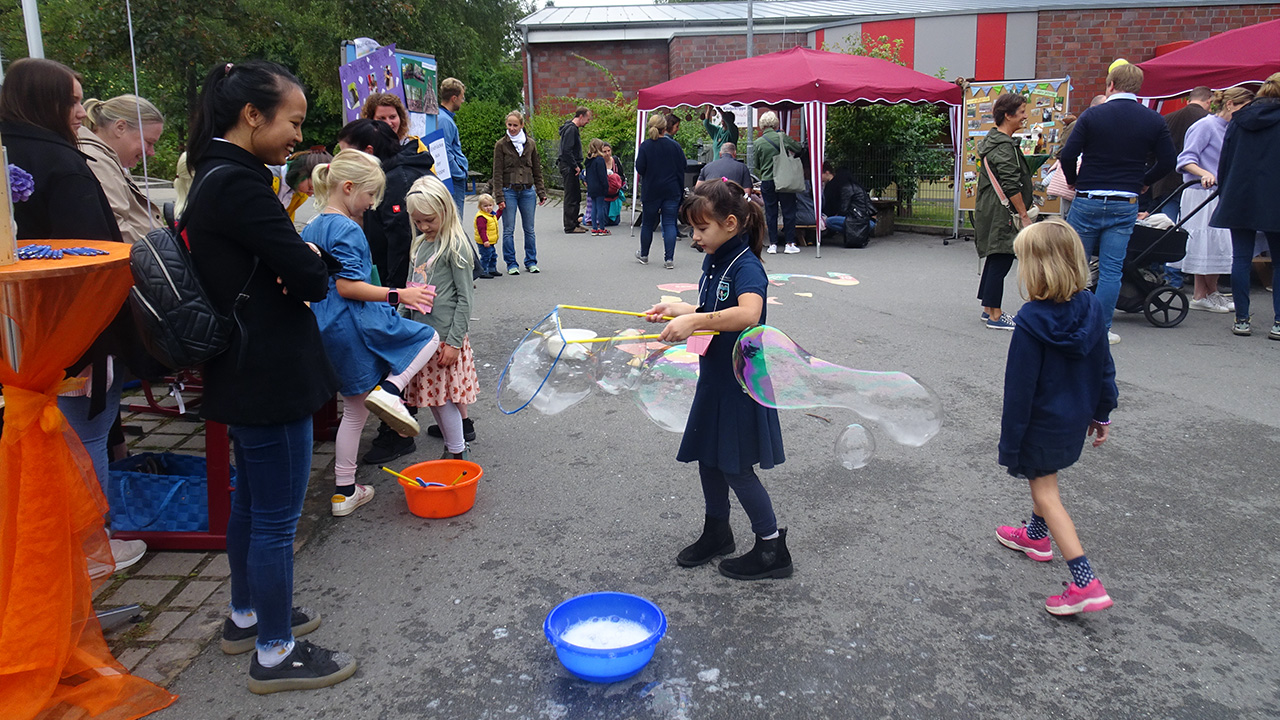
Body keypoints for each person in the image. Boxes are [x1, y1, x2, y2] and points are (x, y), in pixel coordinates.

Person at [184, 59, 356, 693]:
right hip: (268, 369)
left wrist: (299, 256)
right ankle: (276, 652)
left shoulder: (215, 174)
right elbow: (310, 275)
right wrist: (308, 254)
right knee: (276, 517)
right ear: (252, 115)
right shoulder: (240, 183)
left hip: (245, 362)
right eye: (293, 122)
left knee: (253, 504)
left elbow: (289, 264)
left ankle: (246, 615)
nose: (298, 136)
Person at [0, 58, 152, 573]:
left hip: (18, 328)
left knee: (36, 431)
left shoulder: (9, 152)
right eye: (71, 102)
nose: (80, 115)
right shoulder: (63, 164)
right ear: (43, 101)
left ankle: (42, 538)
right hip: (78, 328)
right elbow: (99, 254)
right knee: (87, 432)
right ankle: (91, 544)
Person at [642, 179, 790, 580]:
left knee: (737, 467)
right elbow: (712, 308)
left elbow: (747, 314)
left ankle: (771, 547)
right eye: (692, 228)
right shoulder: (717, 257)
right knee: (709, 458)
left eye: (701, 228)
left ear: (729, 223)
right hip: (716, 378)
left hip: (740, 384)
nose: (695, 236)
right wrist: (681, 310)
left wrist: (695, 320)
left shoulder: (746, 265)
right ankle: (718, 531)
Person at [301, 149, 440, 518]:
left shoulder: (313, 225)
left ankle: (345, 490)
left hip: (326, 323)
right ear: (348, 188)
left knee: (355, 409)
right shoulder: (347, 228)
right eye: (369, 196)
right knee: (427, 338)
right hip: (354, 321)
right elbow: (349, 286)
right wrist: (400, 294)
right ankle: (393, 391)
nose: (372, 205)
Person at [995, 219, 1117, 616]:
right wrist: (1103, 412)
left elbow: (1019, 391)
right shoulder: (1092, 305)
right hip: (1074, 420)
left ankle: (1086, 583)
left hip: (1041, 424)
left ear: (1036, 268)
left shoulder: (1030, 320)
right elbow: (1105, 366)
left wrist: (1010, 443)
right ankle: (1035, 537)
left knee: (1047, 493)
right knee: (1046, 481)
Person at [1059, 63, 1176, 345]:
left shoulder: (1092, 116)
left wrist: (1074, 180)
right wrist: (1144, 181)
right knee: (1112, 269)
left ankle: (1070, 323)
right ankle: (1102, 327)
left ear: (1110, 85)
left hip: (1089, 197)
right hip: (1126, 200)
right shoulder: (1153, 120)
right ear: (1138, 88)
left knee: (1076, 265)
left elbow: (1068, 154)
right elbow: (1169, 161)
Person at [402, 175, 480, 460]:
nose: (423, 227)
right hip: (421, 337)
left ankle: (456, 452)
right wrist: (401, 323)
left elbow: (465, 299)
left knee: (442, 399)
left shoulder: (456, 247)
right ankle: (454, 443)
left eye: (429, 220)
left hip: (444, 340)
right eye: (417, 221)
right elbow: (411, 287)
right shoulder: (420, 244)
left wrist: (455, 342)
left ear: (445, 211)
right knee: (435, 399)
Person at [1211, 72, 1280, 340]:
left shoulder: (1240, 120)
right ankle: (1278, 322)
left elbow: (1225, 160)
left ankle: (1242, 319)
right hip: (1275, 197)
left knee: (1240, 257)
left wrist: (1224, 192)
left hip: (1240, 195)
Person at [1174, 87, 1254, 314]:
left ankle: (1210, 291)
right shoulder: (1205, 126)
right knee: (1206, 243)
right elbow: (1186, 159)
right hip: (1201, 192)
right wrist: (1204, 173)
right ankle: (1202, 293)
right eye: (1243, 107)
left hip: (1218, 193)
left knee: (1216, 245)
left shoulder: (1230, 128)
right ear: (1230, 105)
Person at [975, 93, 1034, 331]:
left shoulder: (995, 141)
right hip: (1002, 211)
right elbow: (1011, 184)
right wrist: (1024, 215)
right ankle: (996, 316)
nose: (1025, 116)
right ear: (1007, 115)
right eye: (1021, 112)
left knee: (996, 256)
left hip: (992, 207)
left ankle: (988, 308)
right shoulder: (1004, 146)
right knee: (1002, 255)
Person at [77, 94, 165, 242]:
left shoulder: (105, 158)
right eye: (149, 142)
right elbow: (116, 227)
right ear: (120, 127)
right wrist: (159, 253)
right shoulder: (97, 161)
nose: (151, 152)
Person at [492, 110, 547, 275]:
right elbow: (497, 173)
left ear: (522, 125)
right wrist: (499, 196)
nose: (512, 128)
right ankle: (511, 263)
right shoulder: (501, 145)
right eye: (509, 125)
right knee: (509, 229)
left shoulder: (530, 144)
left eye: (515, 125)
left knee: (529, 229)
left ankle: (531, 261)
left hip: (528, 191)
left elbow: (537, 169)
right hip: (509, 190)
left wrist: (541, 191)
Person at [1150, 86, 1212, 221]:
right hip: (1197, 184)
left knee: (1168, 227)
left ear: (1189, 100)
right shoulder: (1210, 122)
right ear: (1208, 101)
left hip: (1165, 182)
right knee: (1193, 227)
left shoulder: (1166, 119)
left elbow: (1152, 151)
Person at [635, 114, 686, 269]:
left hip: (651, 189)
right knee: (669, 223)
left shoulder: (645, 146)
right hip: (671, 190)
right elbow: (682, 166)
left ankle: (644, 254)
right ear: (665, 128)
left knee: (648, 223)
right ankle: (669, 259)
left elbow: (640, 168)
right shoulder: (675, 146)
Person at [753, 110, 805, 255]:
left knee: (771, 212)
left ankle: (773, 244)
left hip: (767, 181)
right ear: (775, 123)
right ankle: (789, 243)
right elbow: (798, 148)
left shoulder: (758, 143)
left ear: (762, 125)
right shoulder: (782, 137)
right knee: (789, 211)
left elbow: (757, 165)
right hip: (784, 179)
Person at [819, 161, 875, 249]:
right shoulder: (859, 187)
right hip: (867, 222)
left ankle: (854, 234)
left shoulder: (845, 188)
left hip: (854, 221)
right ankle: (860, 233)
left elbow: (843, 209)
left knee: (829, 221)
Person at [436, 78, 470, 219]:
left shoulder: (443, 117)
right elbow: (445, 151)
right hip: (454, 179)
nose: (462, 101)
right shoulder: (444, 120)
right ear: (453, 98)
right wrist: (459, 173)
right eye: (461, 98)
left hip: (454, 177)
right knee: (455, 221)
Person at [360, 92, 427, 154]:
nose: (388, 123)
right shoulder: (363, 149)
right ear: (370, 119)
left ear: (400, 117)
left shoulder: (415, 145)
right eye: (381, 118)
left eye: (392, 117)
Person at [558, 107, 591, 234]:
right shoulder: (571, 129)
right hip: (569, 166)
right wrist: (575, 166)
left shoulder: (571, 128)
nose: (588, 122)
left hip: (569, 165)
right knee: (571, 196)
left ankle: (574, 221)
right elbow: (567, 150)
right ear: (581, 116)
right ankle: (570, 226)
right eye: (587, 119)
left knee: (575, 195)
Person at [584, 138, 610, 236]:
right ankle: (602, 228)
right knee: (600, 207)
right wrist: (606, 187)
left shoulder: (589, 160)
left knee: (593, 207)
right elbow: (602, 176)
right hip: (599, 187)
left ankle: (594, 228)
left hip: (591, 187)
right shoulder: (600, 160)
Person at [473, 193, 501, 277]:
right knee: (486, 256)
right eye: (485, 206)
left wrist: (500, 210)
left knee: (493, 255)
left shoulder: (490, 215)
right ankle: (483, 271)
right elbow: (482, 230)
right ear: (480, 207)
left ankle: (492, 269)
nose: (488, 208)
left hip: (490, 241)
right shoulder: (481, 217)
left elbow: (496, 218)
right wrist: (485, 240)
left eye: (490, 205)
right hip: (484, 241)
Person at [602, 142, 627, 227]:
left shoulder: (615, 161)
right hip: (603, 194)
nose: (607, 153)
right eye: (604, 152)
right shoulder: (599, 162)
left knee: (615, 222)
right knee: (604, 221)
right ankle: (581, 218)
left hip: (615, 193)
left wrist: (615, 180)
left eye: (609, 151)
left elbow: (622, 175)